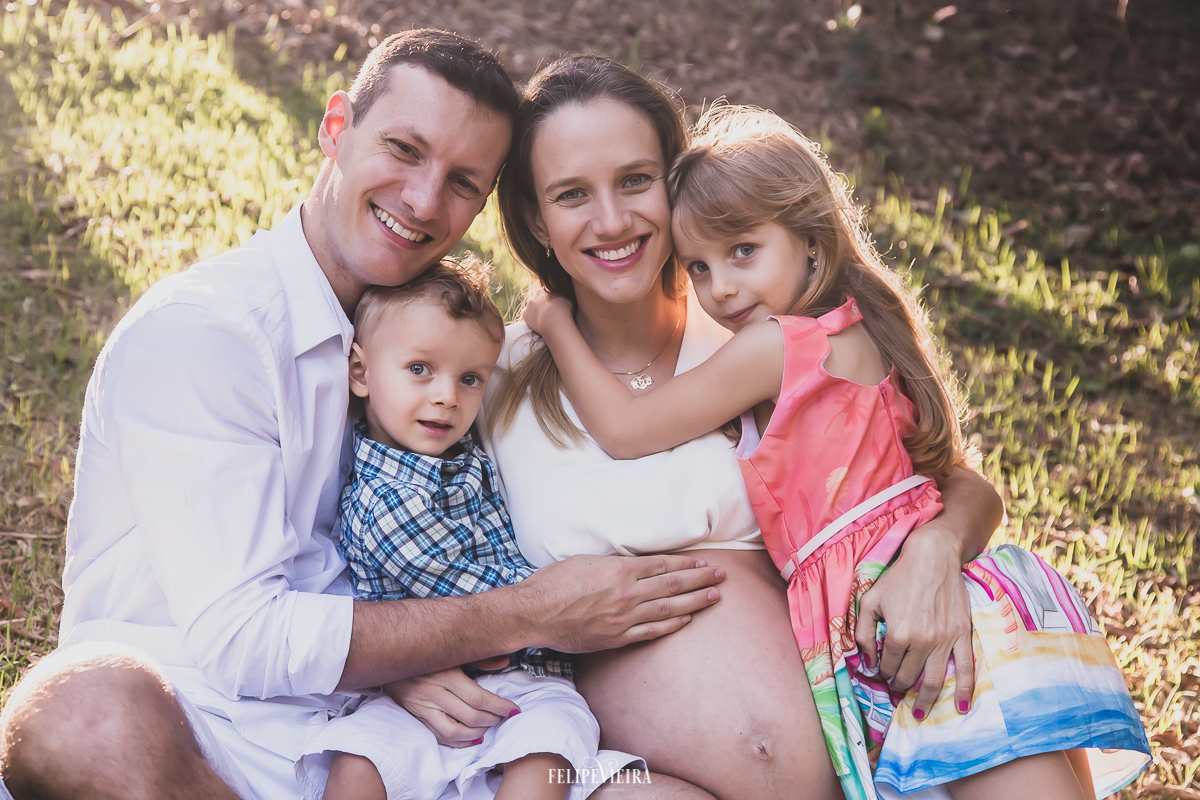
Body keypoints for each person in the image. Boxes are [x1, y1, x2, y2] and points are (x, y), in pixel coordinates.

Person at [0, 31, 726, 800]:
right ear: (336, 128)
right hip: (212, 729)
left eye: (461, 183)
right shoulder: (206, 333)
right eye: (404, 150)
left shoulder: (442, 352)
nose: (421, 200)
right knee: (79, 715)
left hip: (401, 716)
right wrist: (528, 614)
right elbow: (244, 641)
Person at [523, 104, 1152, 800]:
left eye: (743, 253)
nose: (721, 288)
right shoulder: (845, 333)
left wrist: (552, 322)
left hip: (909, 608)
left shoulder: (776, 346)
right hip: (897, 621)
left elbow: (627, 428)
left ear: (812, 245)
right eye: (697, 266)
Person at [482, 55, 1006, 800]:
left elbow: (946, 478)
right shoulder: (484, 374)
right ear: (536, 217)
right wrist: (443, 659)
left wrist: (936, 548)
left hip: (870, 729)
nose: (610, 220)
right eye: (571, 194)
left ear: (679, 181)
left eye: (636, 180)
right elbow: (393, 550)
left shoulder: (754, 320)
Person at [303, 258, 599, 800]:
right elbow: (493, 596)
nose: (447, 396)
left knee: (548, 748)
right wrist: (569, 599)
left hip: (525, 686)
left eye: (470, 379)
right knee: (362, 759)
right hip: (414, 687)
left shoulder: (460, 454)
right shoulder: (386, 501)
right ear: (361, 372)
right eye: (420, 369)